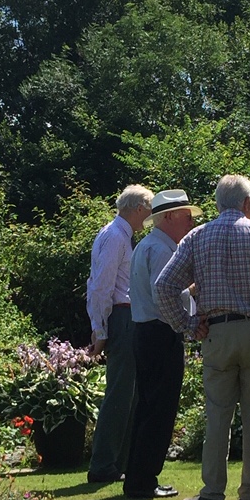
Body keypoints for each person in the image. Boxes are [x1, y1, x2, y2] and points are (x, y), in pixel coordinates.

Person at [156, 174, 250, 500]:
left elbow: (164, 286)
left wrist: (188, 325)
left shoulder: (196, 237)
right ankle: (249, 493)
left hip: (217, 332)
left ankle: (212, 493)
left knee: (218, 415)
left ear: (218, 203)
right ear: (247, 204)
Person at [123, 189, 202, 500]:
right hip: (160, 332)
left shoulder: (148, 245)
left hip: (146, 332)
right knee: (159, 409)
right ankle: (143, 481)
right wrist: (192, 305)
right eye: (185, 216)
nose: (190, 222)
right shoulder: (163, 250)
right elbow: (164, 295)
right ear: (169, 217)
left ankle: (139, 478)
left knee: (147, 407)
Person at [85, 184, 153, 483]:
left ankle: (118, 463)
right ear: (138, 208)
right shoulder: (115, 236)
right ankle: (103, 465)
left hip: (126, 316)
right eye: (148, 211)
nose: (149, 219)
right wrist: (99, 329)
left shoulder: (115, 234)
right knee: (120, 393)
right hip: (122, 317)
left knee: (130, 392)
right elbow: (100, 286)